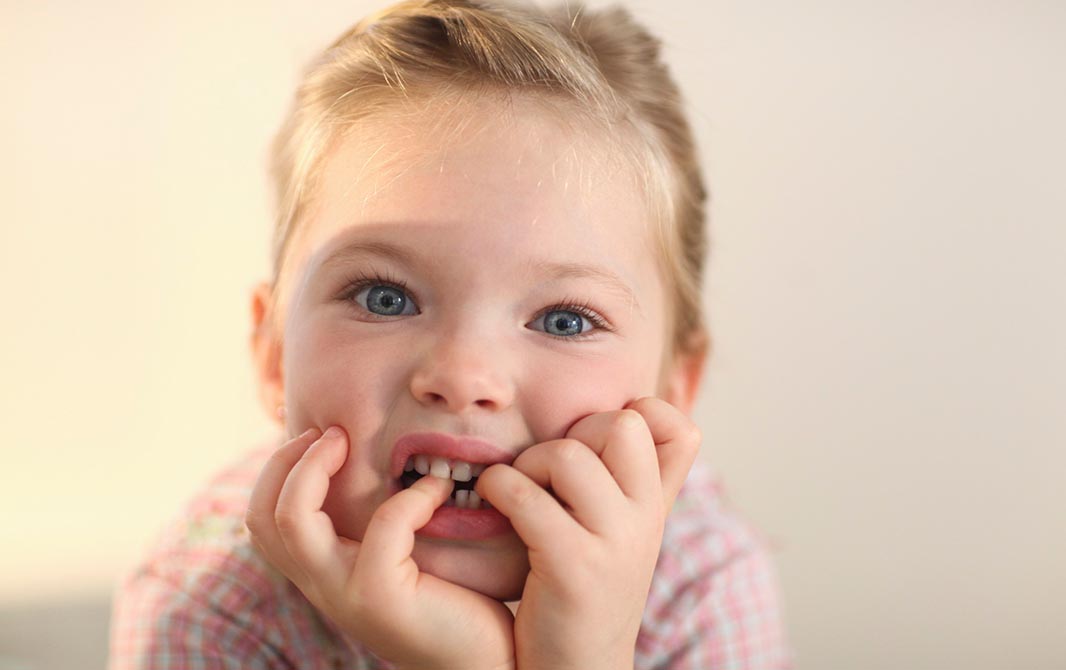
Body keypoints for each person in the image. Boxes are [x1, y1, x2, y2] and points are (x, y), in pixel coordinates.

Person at [108, 0, 791, 667]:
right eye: (385, 297)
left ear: (673, 390)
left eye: (565, 319)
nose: (463, 375)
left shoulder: (702, 582)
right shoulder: (208, 603)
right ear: (273, 356)